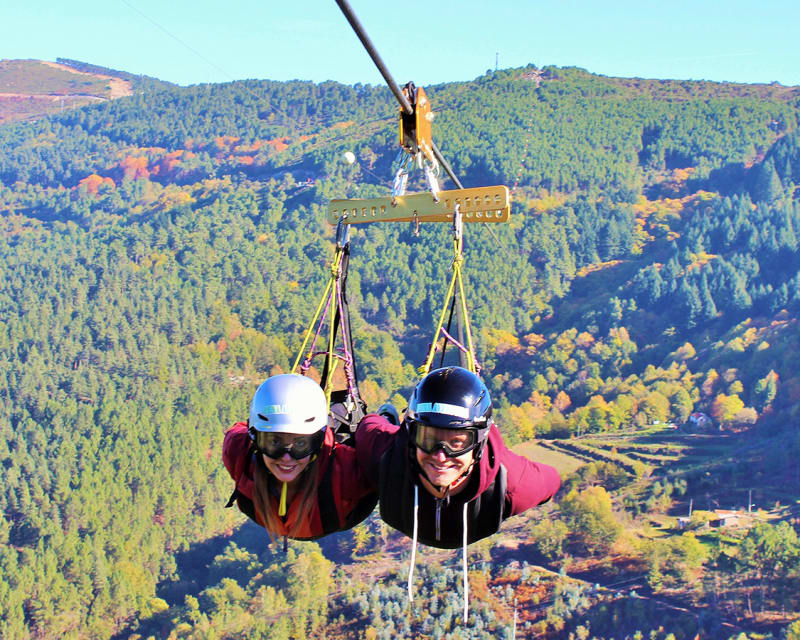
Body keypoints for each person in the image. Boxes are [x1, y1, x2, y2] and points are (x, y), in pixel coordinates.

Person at [355, 366, 562, 611]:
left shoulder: (513, 483)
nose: (441, 456)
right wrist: (381, 419)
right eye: (429, 439)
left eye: (457, 442)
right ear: (412, 435)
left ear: (478, 443)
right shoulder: (384, 453)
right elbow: (367, 428)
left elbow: (552, 480)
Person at [223, 373, 377, 543]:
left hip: (339, 513)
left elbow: (387, 451)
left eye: (301, 444)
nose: (286, 458)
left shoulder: (349, 472)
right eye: (274, 442)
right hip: (322, 518)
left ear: (317, 442)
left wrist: (377, 422)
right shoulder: (238, 451)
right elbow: (237, 433)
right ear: (255, 439)